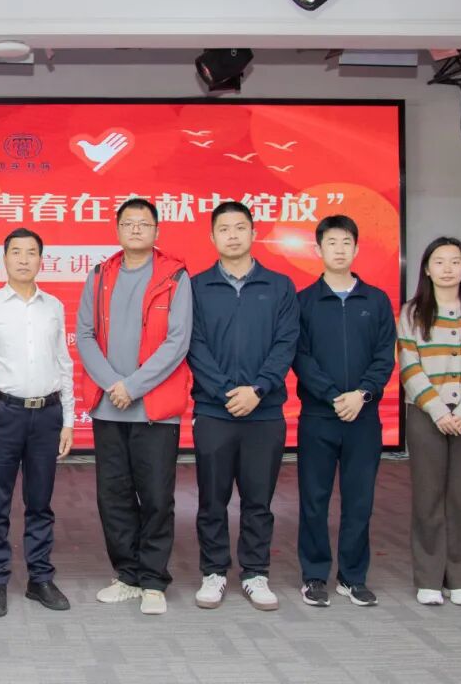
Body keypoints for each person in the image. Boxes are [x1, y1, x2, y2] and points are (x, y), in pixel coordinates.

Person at [76, 198, 193, 616]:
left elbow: (177, 341)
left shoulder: (175, 276)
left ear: (157, 231)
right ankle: (127, 575)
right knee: (114, 496)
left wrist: (134, 386)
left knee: (157, 496)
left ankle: (153, 580)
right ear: (118, 229)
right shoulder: (99, 275)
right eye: (129, 223)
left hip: (155, 409)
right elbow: (85, 335)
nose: (136, 229)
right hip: (109, 408)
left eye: (144, 223)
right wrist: (113, 385)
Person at [188, 201, 299, 612]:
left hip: (264, 412)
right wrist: (225, 392)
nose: (232, 235)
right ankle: (214, 571)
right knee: (211, 499)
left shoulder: (279, 286)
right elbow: (194, 345)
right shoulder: (196, 287)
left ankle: (255, 573)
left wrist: (258, 389)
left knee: (258, 500)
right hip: (213, 412)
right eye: (224, 229)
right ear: (212, 237)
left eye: (240, 228)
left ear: (254, 233)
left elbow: (286, 343)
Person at [0, 227, 76, 618]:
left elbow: (64, 363)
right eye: (16, 252)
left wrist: (68, 420)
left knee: (40, 503)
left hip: (47, 414)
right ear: (4, 258)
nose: (24, 259)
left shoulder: (53, 306)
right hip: (3, 415)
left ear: (41, 260)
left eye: (31, 252)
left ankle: (39, 578)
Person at [293, 216, 395, 608]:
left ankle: (352, 577)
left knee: (359, 501)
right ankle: (314, 575)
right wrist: (333, 395)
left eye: (346, 242)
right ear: (318, 249)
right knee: (313, 500)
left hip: (363, 419)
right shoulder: (304, 301)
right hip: (319, 417)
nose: (339, 249)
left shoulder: (376, 300)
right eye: (331, 242)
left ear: (356, 248)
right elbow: (300, 356)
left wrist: (362, 394)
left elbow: (385, 356)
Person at [399, 237, 461, 607]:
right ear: (426, 269)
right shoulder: (412, 313)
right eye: (439, 261)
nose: (447, 268)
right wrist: (439, 411)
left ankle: (459, 579)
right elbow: (409, 365)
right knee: (428, 497)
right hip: (426, 414)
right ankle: (428, 578)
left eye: (455, 261)